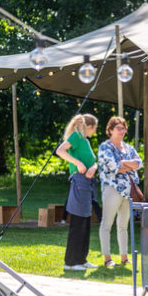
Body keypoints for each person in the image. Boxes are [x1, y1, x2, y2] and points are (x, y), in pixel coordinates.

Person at [55, 114, 98, 271]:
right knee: (78, 222)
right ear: (89, 126)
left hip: (87, 184)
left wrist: (94, 167)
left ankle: (81, 259)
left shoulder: (85, 141)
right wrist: (77, 163)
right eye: (95, 127)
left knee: (85, 222)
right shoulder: (77, 136)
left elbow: (93, 162)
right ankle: (70, 262)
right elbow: (60, 150)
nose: (95, 131)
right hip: (79, 182)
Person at [97, 116, 141, 268]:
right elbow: (112, 167)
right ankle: (107, 258)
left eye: (124, 128)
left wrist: (122, 163)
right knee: (107, 223)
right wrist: (127, 165)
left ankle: (124, 257)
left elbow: (139, 163)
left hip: (128, 191)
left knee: (124, 225)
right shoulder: (105, 147)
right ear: (110, 130)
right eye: (119, 128)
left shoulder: (128, 148)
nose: (122, 131)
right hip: (112, 189)